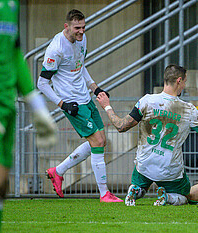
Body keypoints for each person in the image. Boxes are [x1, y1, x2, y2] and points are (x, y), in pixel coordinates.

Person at [96, 64, 198, 206]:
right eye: (184, 82)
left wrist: (107, 106)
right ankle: (166, 197)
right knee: (186, 196)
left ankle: (136, 190)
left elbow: (121, 126)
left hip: (144, 164)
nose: (184, 85)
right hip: (170, 169)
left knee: (141, 182)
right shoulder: (188, 110)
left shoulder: (146, 100)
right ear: (179, 81)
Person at [37, 9, 122, 202]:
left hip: (85, 97)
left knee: (100, 140)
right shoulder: (56, 49)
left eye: (83, 27)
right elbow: (42, 83)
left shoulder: (82, 39)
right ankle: (104, 194)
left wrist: (95, 88)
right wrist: (63, 104)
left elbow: (80, 65)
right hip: (72, 103)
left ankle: (57, 171)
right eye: (77, 28)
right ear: (66, 26)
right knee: (98, 142)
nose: (81, 32)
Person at [0, 0, 58, 232]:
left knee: (0, 187)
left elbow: (14, 53)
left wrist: (38, 106)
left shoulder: (11, 5)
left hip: (6, 106)